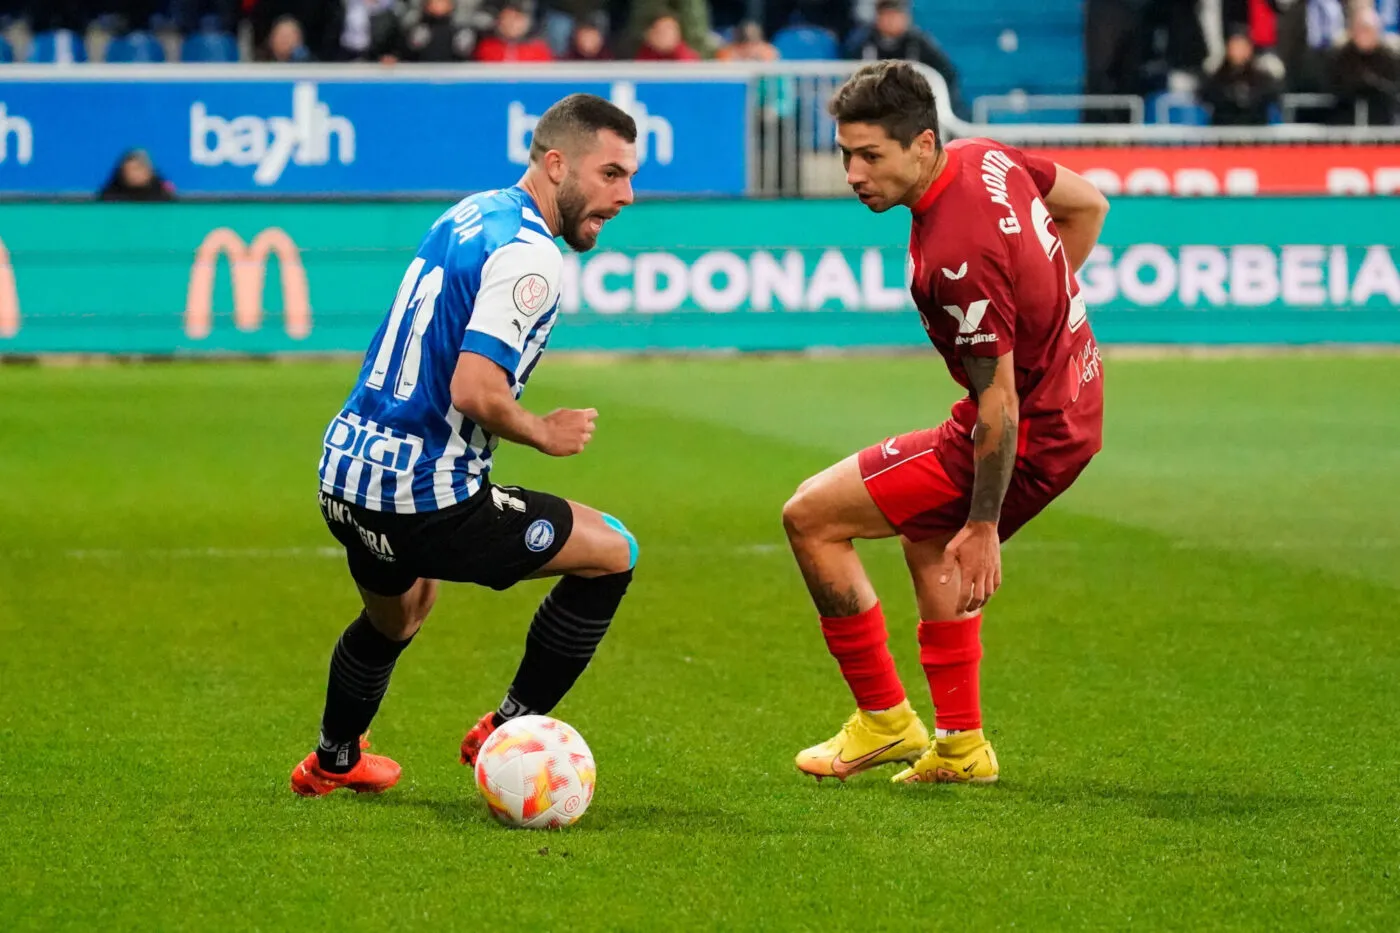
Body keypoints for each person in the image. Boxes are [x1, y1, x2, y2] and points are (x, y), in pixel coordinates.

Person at [291, 94, 641, 797]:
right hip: (427, 499)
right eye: (610, 174)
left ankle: (331, 760)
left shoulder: (474, 209)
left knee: (401, 613)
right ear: (555, 164)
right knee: (613, 552)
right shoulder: (531, 258)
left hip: (346, 474)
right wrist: (546, 431)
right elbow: (475, 389)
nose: (625, 195)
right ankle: (509, 727)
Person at [784, 61, 1109, 786]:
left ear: (923, 144)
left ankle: (884, 721)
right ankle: (961, 747)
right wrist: (1042, 323)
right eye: (845, 154)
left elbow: (998, 408)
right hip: (1073, 399)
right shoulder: (986, 156)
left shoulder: (955, 256)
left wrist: (987, 523)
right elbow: (1089, 205)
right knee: (927, 532)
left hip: (1029, 427)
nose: (853, 173)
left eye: (871, 155)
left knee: (810, 517)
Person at [1202, 27, 1283, 125]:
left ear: (1250, 49)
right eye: (1235, 46)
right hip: (1224, 133)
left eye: (1242, 46)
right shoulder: (1216, 78)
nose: (1238, 51)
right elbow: (1208, 100)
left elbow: (1271, 99)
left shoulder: (1263, 78)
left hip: (1257, 134)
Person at [97, 149, 176, 202]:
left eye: (138, 169)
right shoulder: (109, 197)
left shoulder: (164, 194)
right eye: (129, 170)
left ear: (149, 171)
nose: (134, 174)